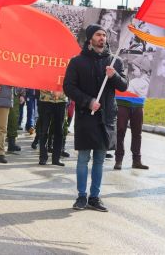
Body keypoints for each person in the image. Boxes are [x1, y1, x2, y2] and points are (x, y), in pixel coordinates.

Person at [64, 24, 128, 212]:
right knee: (83, 158)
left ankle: (95, 197)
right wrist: (88, 101)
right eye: (98, 35)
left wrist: (114, 75)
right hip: (86, 115)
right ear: (91, 38)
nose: (102, 38)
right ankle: (81, 196)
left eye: (104, 35)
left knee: (100, 159)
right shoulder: (77, 62)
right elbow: (68, 87)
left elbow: (124, 86)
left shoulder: (115, 62)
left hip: (107, 117)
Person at [37, 90, 67, 166]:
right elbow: (40, 80)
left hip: (61, 100)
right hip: (46, 100)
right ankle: (43, 157)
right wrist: (51, 91)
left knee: (59, 131)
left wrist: (62, 91)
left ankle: (56, 158)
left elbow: (69, 83)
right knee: (44, 130)